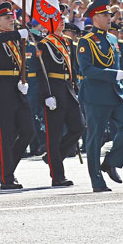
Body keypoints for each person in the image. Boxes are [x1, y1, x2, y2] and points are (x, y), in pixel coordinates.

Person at [77, 0, 123, 192]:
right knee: (95, 138)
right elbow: (86, 70)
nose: (109, 17)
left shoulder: (112, 38)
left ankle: (111, 162)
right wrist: (112, 74)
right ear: (94, 18)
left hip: (116, 93)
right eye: (104, 14)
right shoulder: (86, 41)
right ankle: (97, 180)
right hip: (96, 95)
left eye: (109, 14)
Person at [0, 3, 33, 189]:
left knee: (28, 131)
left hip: (18, 89)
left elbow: (22, 64)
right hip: (2, 89)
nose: (12, 20)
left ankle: (6, 167)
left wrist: (24, 80)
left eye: (12, 17)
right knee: (6, 135)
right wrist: (16, 34)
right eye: (7, 18)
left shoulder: (16, 40)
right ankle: (7, 177)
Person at [37, 17, 84, 187]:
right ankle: (58, 176)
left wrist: (76, 87)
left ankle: (52, 158)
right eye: (57, 19)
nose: (62, 22)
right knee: (54, 135)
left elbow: (72, 67)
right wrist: (47, 94)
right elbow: (41, 72)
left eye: (62, 19)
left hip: (68, 89)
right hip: (54, 91)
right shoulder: (44, 44)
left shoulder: (67, 42)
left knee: (78, 127)